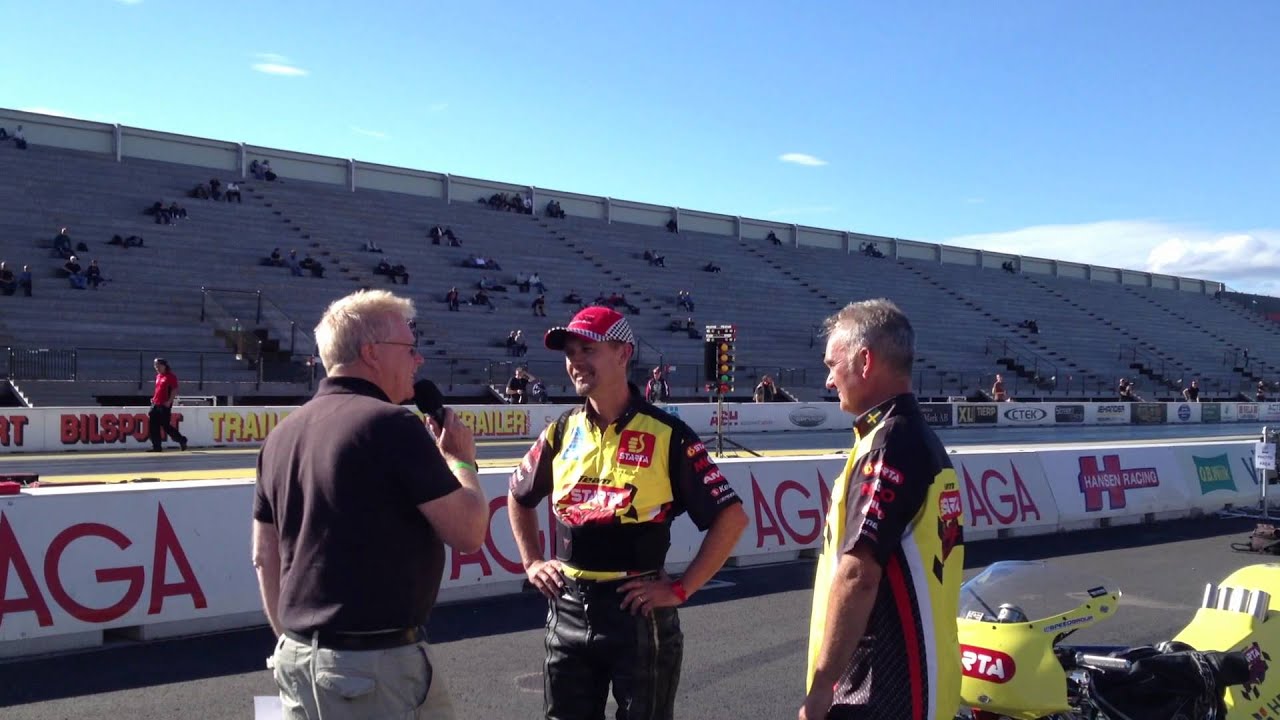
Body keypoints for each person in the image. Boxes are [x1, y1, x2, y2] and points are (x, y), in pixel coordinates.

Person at [252, 290, 488, 720]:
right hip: (372, 669)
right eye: (411, 349)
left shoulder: (281, 436)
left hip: (296, 659)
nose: (419, 361)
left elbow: (264, 556)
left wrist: (290, 640)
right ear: (371, 353)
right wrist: (461, 459)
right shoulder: (391, 424)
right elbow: (469, 533)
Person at [507, 305, 748, 720]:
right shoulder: (562, 430)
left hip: (637, 613)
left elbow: (732, 517)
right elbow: (518, 494)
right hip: (566, 607)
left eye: (588, 349)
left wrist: (681, 589)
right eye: (569, 353)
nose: (575, 361)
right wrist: (531, 562)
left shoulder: (667, 434)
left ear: (623, 353)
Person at [802, 299, 964, 720]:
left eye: (832, 364)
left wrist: (820, 689)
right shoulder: (912, 436)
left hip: (881, 688)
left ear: (865, 360)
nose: (827, 379)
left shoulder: (889, 444)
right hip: (921, 677)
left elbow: (858, 576)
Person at [147, 358, 189, 452]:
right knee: (153, 426)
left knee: (165, 425)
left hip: (164, 405)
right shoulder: (158, 376)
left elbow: (174, 390)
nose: (156, 367)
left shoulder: (171, 376)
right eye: (155, 366)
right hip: (155, 404)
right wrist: (153, 399)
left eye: (158, 365)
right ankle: (156, 446)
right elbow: (158, 390)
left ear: (164, 365)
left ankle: (181, 440)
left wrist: (169, 401)